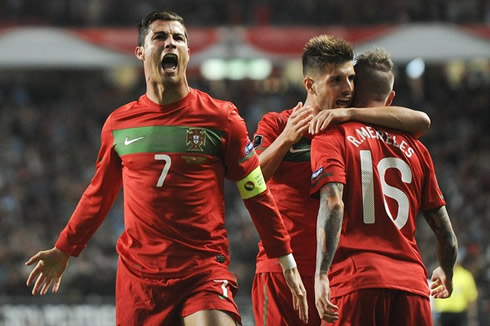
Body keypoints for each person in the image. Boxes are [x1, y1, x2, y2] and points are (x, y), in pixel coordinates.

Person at [25, 10, 308, 326]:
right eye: (160, 37)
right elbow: (98, 197)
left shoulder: (221, 118)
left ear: (187, 52)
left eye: (179, 38)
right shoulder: (118, 125)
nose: (170, 43)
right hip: (140, 281)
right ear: (141, 51)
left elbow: (255, 191)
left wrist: (285, 259)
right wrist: (64, 250)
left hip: (203, 270)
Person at [251, 35, 432, 325]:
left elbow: (420, 122)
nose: (348, 88)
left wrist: (349, 112)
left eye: (350, 78)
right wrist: (285, 139)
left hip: (340, 276)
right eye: (336, 80)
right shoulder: (277, 123)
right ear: (310, 85)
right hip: (284, 269)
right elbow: (251, 179)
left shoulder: (353, 126)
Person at [311, 48, 458, 325]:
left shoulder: (332, 135)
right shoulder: (419, 150)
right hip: (413, 288)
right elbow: (446, 235)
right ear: (390, 98)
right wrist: (446, 272)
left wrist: (321, 274)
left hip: (357, 283)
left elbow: (332, 203)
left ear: (352, 90)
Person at [434, 252, 479, 326]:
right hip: (443, 313)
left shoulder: (466, 276)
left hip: (459, 313)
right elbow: (435, 295)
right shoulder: (441, 274)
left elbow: (472, 298)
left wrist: (472, 318)